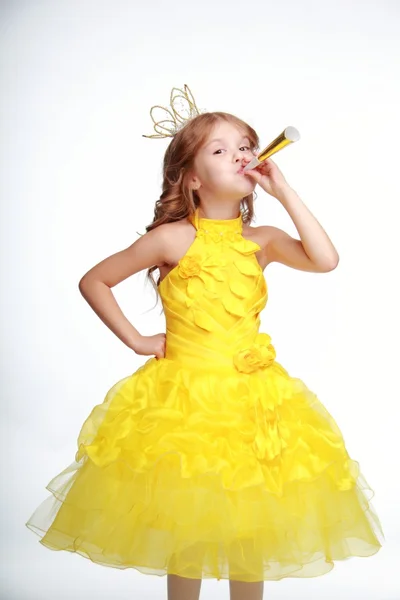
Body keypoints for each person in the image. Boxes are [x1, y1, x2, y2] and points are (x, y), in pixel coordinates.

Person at [25, 85, 384, 600]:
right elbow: (95, 280)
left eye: (245, 145)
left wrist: (284, 191)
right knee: (187, 526)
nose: (239, 154)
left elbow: (326, 259)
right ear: (192, 179)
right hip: (184, 403)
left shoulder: (261, 241)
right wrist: (137, 340)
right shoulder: (171, 238)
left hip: (254, 404)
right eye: (220, 149)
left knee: (250, 526)